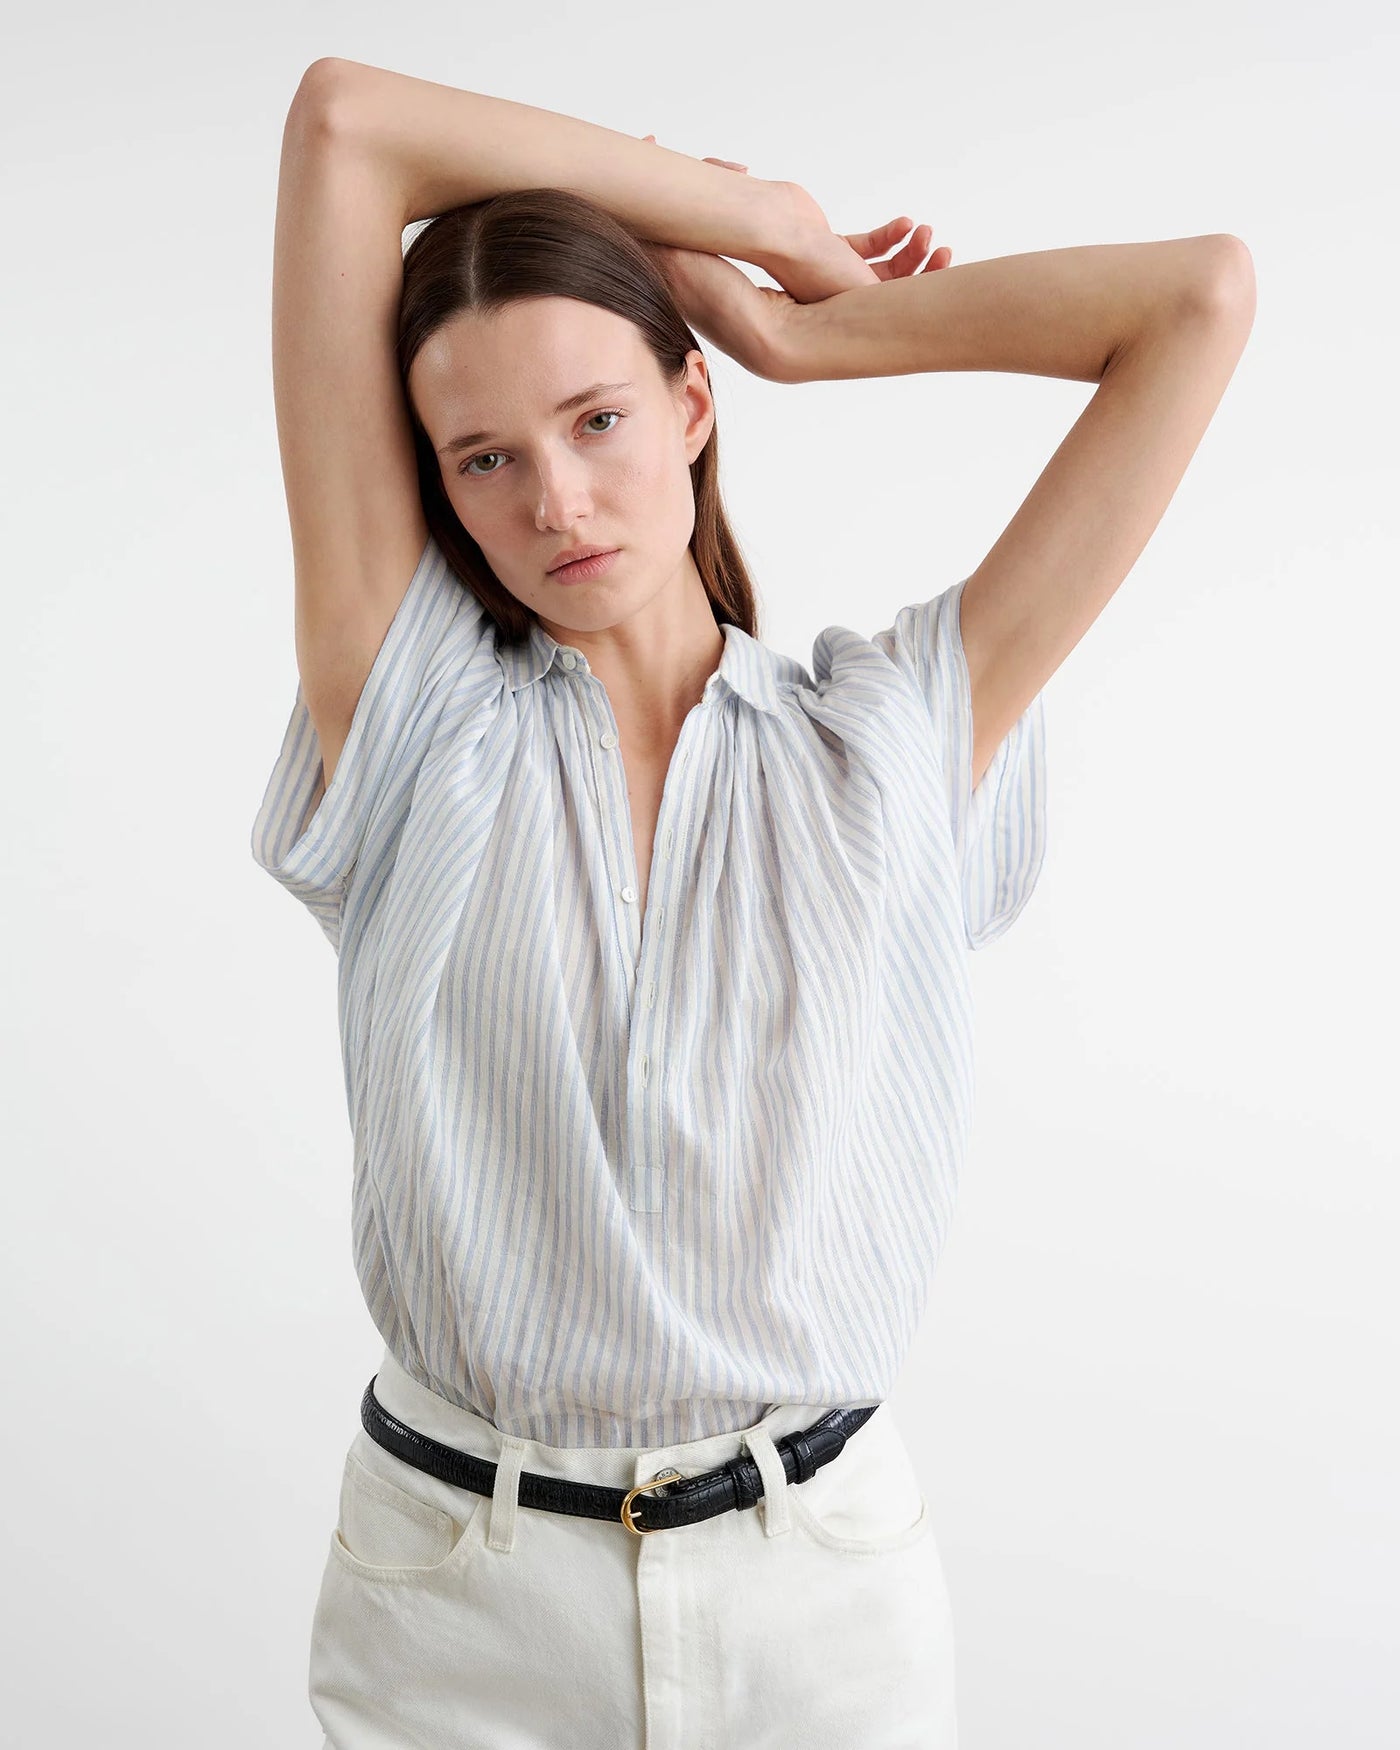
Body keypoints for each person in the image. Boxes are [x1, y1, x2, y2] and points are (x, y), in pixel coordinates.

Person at [249, 56, 1255, 1750]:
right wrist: (732, 209)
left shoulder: (889, 735)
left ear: (694, 406)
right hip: (459, 1602)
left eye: (598, 419)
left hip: (821, 1606)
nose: (554, 500)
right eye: (481, 458)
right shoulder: (411, 717)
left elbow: (1200, 300)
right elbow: (346, 128)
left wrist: (803, 322)